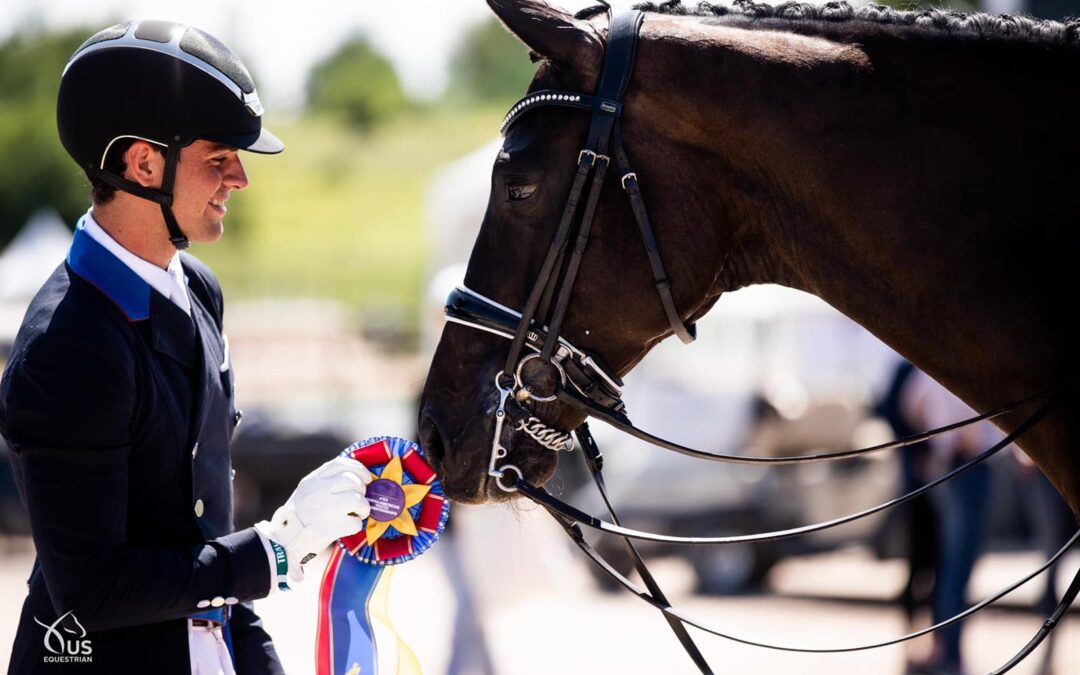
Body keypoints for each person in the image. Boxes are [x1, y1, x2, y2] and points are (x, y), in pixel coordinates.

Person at [0, 21, 371, 674]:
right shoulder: (69, 347)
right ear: (143, 162)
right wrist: (275, 552)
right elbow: (92, 589)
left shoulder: (197, 287)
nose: (240, 179)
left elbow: (208, 533)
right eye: (219, 156)